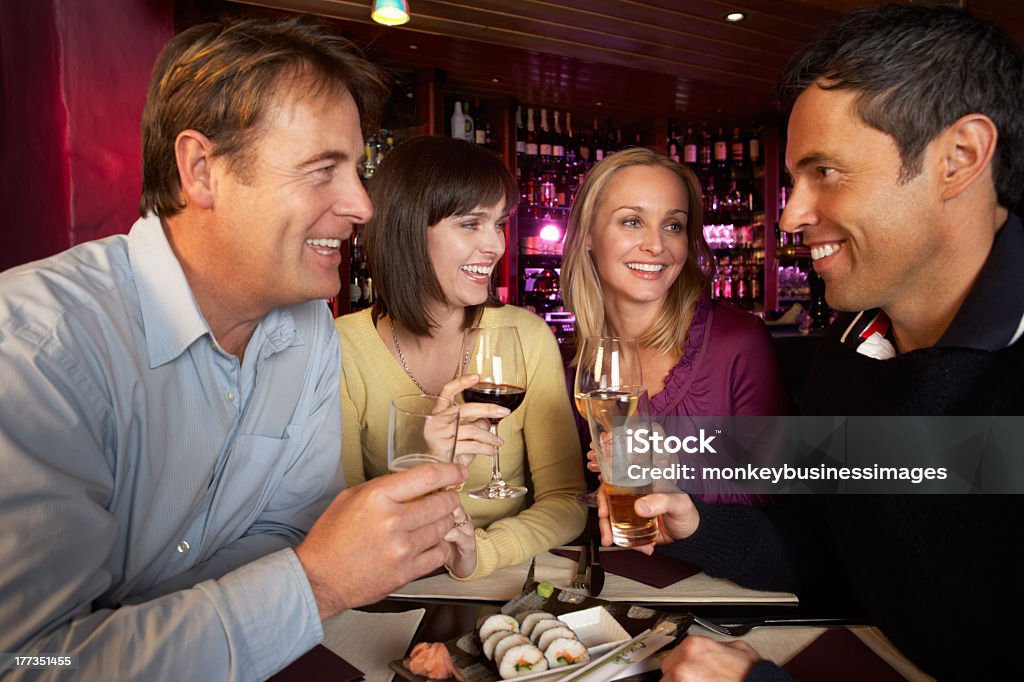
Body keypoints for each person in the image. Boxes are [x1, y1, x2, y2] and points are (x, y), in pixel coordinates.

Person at [0, 17, 471, 680]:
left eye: (357, 170)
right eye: (322, 170)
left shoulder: (308, 329)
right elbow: (27, 661)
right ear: (201, 171)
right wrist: (316, 584)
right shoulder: (34, 348)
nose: (363, 204)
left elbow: (285, 534)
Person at [596, 5, 1023, 681]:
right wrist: (696, 525)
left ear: (959, 158)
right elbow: (828, 551)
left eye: (825, 171)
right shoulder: (851, 348)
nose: (790, 215)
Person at [335, 135, 587, 579]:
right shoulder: (341, 348)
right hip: (390, 583)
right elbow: (340, 522)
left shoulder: (527, 337)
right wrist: (430, 469)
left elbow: (567, 502)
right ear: (409, 229)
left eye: (498, 224)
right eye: (471, 224)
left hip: (506, 576)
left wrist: (479, 552)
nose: (495, 245)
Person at [561, 148, 788, 504]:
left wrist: (671, 475)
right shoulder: (572, 363)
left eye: (673, 225)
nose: (656, 245)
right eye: (632, 221)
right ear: (588, 234)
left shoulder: (737, 341)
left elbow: (776, 498)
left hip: (715, 560)